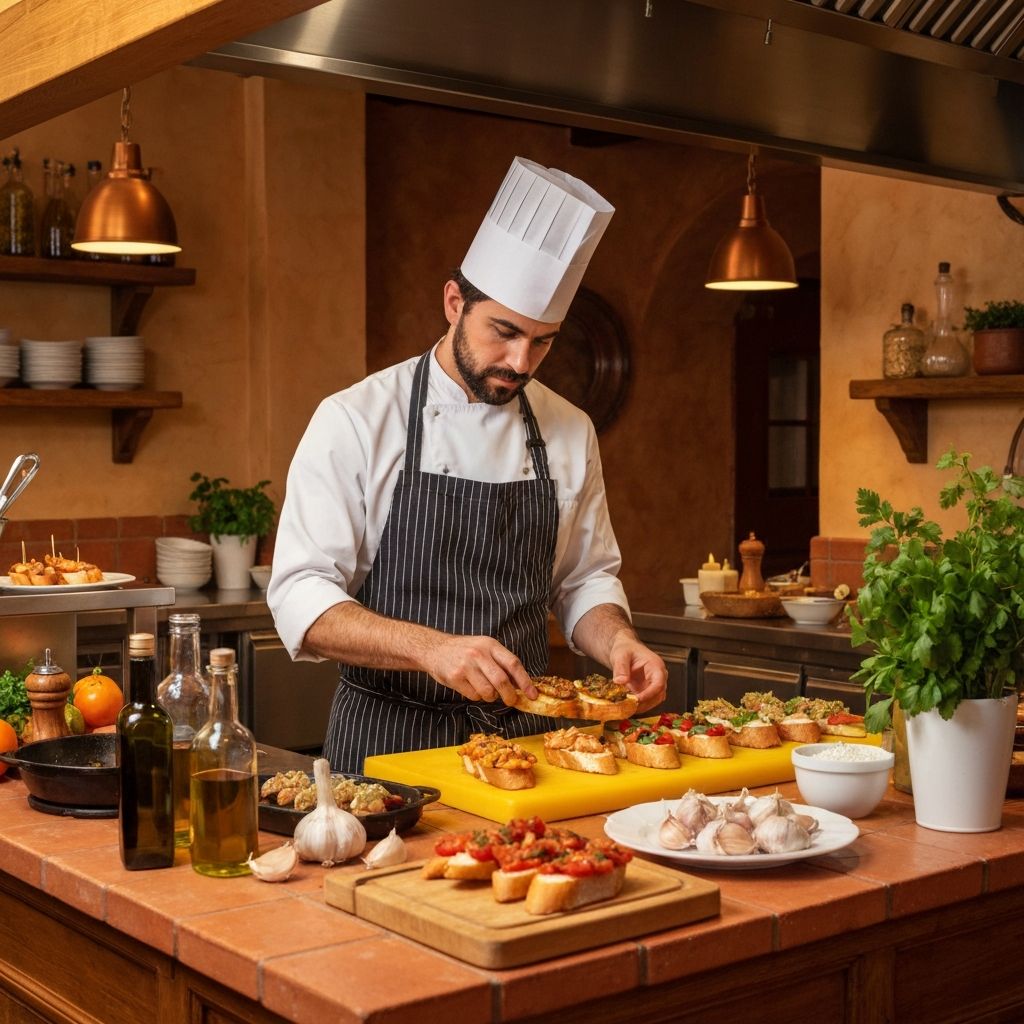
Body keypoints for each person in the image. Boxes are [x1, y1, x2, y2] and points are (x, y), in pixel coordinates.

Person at [269, 156, 667, 773]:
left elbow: (582, 580)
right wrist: (428, 648)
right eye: (503, 332)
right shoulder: (355, 419)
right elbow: (301, 596)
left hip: (525, 749)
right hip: (386, 745)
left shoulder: (569, 429)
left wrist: (619, 640)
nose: (521, 361)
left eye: (543, 341)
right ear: (454, 302)